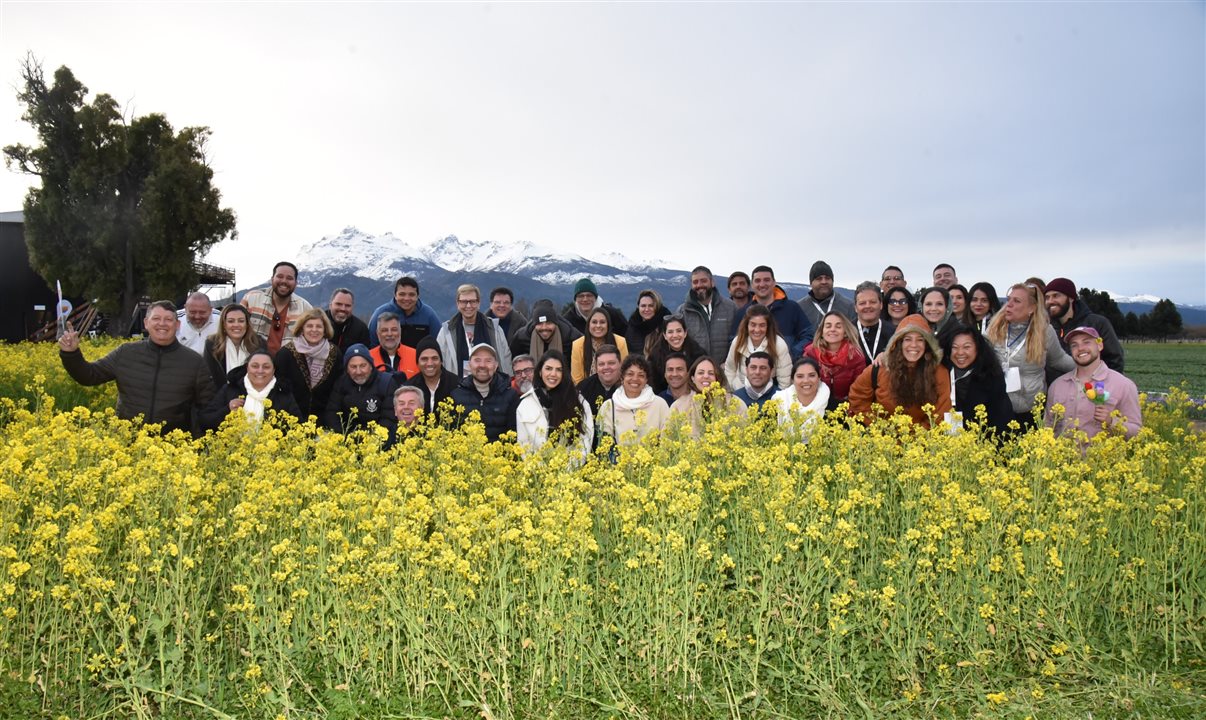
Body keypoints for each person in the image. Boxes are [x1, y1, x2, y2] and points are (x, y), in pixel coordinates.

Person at [58, 300, 213, 435]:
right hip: (127, 443)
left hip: (173, 448)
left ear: (177, 325)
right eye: (156, 318)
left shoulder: (194, 362)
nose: (162, 324)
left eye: (168, 320)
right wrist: (71, 354)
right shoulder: (126, 353)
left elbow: (206, 408)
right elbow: (89, 376)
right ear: (146, 323)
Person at [986, 283, 1075, 427]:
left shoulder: (1045, 331)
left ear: (1032, 308)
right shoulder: (994, 328)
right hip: (998, 407)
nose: (1009, 305)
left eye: (1017, 301)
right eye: (1009, 300)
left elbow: (1059, 360)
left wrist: (1089, 368)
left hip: (1031, 411)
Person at [847, 314, 952, 429]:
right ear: (898, 343)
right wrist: (879, 428)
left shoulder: (939, 373)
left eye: (920, 340)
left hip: (922, 443)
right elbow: (857, 398)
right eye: (907, 339)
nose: (913, 345)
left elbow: (941, 413)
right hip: (882, 442)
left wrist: (914, 437)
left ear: (927, 345)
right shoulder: (880, 367)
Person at [1045, 326, 1142, 440]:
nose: (1080, 348)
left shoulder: (1123, 385)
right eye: (1074, 345)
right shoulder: (1057, 385)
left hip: (1102, 457)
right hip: (1061, 457)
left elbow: (1137, 432)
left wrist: (1111, 422)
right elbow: (1048, 427)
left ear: (1100, 345)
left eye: (1086, 342)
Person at [515, 350, 594, 458]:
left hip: (571, 471)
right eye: (548, 369)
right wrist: (540, 472)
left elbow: (585, 439)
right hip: (538, 472)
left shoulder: (578, 401)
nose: (553, 374)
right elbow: (524, 445)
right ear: (540, 372)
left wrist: (570, 470)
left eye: (558, 370)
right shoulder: (525, 404)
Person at [940, 324, 1013, 437]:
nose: (960, 353)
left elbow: (1001, 419)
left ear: (978, 348)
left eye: (967, 347)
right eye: (954, 347)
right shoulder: (941, 373)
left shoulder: (992, 376)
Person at [200, 350, 301, 431]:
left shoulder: (283, 394)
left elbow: (298, 429)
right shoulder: (230, 389)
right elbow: (205, 421)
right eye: (255, 366)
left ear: (273, 370)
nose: (260, 371)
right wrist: (227, 409)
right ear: (247, 368)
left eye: (266, 367)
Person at [1043, 277, 1125, 375]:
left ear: (1070, 298)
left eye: (1056, 296)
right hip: (1055, 388)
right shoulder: (1046, 328)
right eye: (1047, 297)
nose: (1050, 301)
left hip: (1090, 388)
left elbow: (1114, 360)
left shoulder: (1097, 323)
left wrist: (1101, 385)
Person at [274, 307, 341, 419]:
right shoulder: (286, 353)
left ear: (325, 330)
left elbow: (338, 388)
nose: (314, 330)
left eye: (319, 326)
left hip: (324, 419)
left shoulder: (334, 354)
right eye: (309, 326)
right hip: (291, 419)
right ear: (302, 329)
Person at [437, 284, 514, 377]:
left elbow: (505, 359)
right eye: (464, 301)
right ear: (458, 304)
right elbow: (440, 361)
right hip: (457, 386)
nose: (468, 306)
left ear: (479, 303)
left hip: (491, 386)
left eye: (473, 301)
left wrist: (507, 382)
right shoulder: (447, 331)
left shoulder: (494, 328)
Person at [450, 343, 521, 442]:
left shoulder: (510, 396)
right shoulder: (456, 395)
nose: (482, 365)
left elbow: (514, 436)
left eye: (488, 361)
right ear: (469, 365)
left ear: (496, 365)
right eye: (477, 360)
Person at [323, 344, 399, 435]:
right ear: (347, 369)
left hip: (376, 440)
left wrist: (367, 438)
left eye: (363, 366)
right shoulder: (341, 383)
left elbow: (389, 418)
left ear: (371, 366)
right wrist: (343, 436)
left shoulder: (387, 383)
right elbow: (332, 412)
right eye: (353, 367)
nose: (358, 372)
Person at [241, 261, 313, 355]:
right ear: (272, 279)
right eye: (280, 276)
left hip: (287, 366)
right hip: (252, 364)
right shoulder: (251, 299)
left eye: (289, 278)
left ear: (296, 283)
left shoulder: (305, 309)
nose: (284, 281)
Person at [599, 354, 671, 445]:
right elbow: (605, 443)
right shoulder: (608, 406)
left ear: (646, 380)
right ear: (622, 378)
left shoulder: (660, 404)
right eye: (630, 374)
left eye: (641, 375)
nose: (635, 379)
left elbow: (666, 440)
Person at [742, 265, 812, 358]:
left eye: (766, 280)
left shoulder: (792, 308)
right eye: (758, 281)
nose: (762, 284)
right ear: (752, 285)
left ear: (774, 282)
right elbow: (735, 341)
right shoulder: (744, 312)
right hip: (754, 370)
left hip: (787, 368)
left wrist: (791, 353)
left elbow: (808, 335)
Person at [803, 311, 866, 411]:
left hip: (846, 409)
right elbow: (804, 386)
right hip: (815, 407)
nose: (832, 329)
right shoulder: (810, 354)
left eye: (838, 326)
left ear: (845, 332)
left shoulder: (856, 357)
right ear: (822, 331)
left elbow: (859, 390)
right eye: (828, 326)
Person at [670, 356, 748, 436]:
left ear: (717, 378)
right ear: (693, 378)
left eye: (711, 373)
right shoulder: (678, 406)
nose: (706, 376)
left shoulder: (735, 403)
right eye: (701, 373)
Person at [724, 304, 791, 391]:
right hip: (740, 391)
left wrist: (779, 400)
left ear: (768, 326)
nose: (757, 330)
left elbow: (785, 379)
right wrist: (733, 391)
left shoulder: (779, 344)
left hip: (768, 395)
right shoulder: (737, 342)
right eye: (753, 324)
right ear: (746, 325)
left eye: (762, 325)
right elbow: (730, 368)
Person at [677, 266, 738, 362]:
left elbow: (737, 339)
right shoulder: (683, 311)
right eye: (695, 282)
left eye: (703, 281)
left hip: (725, 371)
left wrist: (729, 364)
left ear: (712, 282)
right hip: (697, 371)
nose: (699, 285)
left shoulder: (730, 307)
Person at [367, 276, 442, 349]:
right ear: (395, 295)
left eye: (411, 295)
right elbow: (371, 343)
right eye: (402, 294)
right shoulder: (380, 313)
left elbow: (439, 342)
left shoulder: (428, 314)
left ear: (417, 296)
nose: (406, 298)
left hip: (419, 360)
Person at [203, 303, 265, 390]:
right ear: (224, 324)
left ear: (247, 324)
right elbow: (209, 379)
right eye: (231, 321)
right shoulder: (212, 344)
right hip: (222, 398)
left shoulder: (259, 343)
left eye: (241, 321)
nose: (236, 325)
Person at [645, 314, 707, 393]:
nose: (675, 335)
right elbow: (653, 384)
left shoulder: (698, 353)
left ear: (685, 333)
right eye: (670, 332)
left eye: (679, 331)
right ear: (665, 335)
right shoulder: (655, 356)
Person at [772, 357, 831, 437]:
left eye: (812, 375)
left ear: (819, 378)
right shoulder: (779, 403)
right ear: (792, 380)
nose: (806, 380)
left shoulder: (832, 407)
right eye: (800, 376)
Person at [571, 307, 629, 384]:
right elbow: (577, 379)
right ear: (588, 325)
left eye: (602, 322)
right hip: (586, 390)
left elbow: (624, 371)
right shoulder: (577, 345)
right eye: (594, 322)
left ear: (608, 324)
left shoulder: (620, 342)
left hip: (616, 389)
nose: (598, 325)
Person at [511, 299, 582, 359]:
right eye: (539, 324)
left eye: (549, 323)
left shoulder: (571, 337)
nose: (544, 327)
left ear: (556, 323)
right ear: (534, 324)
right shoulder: (521, 338)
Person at [406, 336, 459, 416]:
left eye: (434, 358)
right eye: (424, 359)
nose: (430, 363)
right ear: (417, 363)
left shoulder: (457, 385)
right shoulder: (409, 387)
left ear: (441, 361)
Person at [799, 260, 856, 330]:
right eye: (819, 279)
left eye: (827, 278)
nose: (824, 282)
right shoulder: (800, 308)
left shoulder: (849, 306)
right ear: (811, 283)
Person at [563, 278, 628, 338]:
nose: (585, 299)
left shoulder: (613, 315)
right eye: (581, 296)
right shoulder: (568, 320)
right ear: (575, 299)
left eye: (589, 295)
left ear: (596, 298)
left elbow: (628, 337)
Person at [853, 281, 894, 366]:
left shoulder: (893, 332)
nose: (867, 306)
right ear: (856, 308)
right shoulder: (846, 331)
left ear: (881, 305)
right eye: (862, 303)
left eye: (872, 302)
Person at [370, 312, 418, 381]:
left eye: (394, 330)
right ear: (378, 333)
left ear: (400, 332)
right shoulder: (368, 357)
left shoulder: (415, 356)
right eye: (384, 330)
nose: (389, 334)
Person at [577, 344, 624, 411]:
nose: (606, 367)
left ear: (620, 364)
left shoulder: (628, 386)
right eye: (601, 364)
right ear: (596, 367)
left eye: (611, 363)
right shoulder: (584, 387)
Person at [325, 288, 370, 353]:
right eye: (338, 304)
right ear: (330, 305)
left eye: (347, 306)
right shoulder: (319, 323)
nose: (343, 309)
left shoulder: (361, 329)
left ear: (352, 307)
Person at [625, 289, 667, 356]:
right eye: (643, 306)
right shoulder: (632, 327)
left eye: (651, 306)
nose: (647, 309)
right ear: (638, 307)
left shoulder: (665, 326)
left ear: (657, 307)